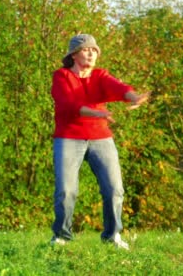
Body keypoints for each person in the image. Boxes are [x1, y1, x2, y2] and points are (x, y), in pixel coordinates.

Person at [50, 33, 150, 250]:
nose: (92, 53)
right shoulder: (61, 76)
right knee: (66, 191)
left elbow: (117, 87)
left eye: (95, 50)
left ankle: (112, 236)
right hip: (68, 137)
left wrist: (134, 97)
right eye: (87, 49)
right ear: (74, 54)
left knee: (114, 189)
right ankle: (61, 236)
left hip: (101, 138)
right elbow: (68, 104)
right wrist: (97, 114)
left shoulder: (100, 76)